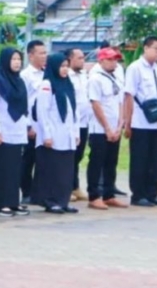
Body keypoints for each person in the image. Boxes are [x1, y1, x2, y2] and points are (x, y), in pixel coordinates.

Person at [123, 36, 157, 207]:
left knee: (155, 159)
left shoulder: (156, 69)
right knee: (140, 159)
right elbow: (129, 95)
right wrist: (127, 122)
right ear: (146, 48)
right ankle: (138, 194)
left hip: (156, 121)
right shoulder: (135, 68)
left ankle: (152, 193)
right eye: (156, 48)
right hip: (140, 122)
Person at [0, 48, 30, 217]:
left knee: (14, 169)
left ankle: (12, 201)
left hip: (17, 130)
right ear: (5, 61)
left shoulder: (19, 81)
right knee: (1, 168)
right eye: (13, 59)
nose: (17, 62)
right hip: (1, 131)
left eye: (19, 59)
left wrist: (27, 125)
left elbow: (25, 106)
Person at [32, 53, 80, 214]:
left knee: (66, 171)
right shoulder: (47, 84)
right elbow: (42, 111)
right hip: (52, 135)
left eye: (66, 66)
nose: (65, 69)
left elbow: (74, 111)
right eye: (61, 66)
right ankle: (50, 201)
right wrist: (46, 134)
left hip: (67, 136)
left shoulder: (68, 84)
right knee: (51, 170)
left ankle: (63, 200)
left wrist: (76, 132)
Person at [86, 48, 128, 210]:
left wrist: (119, 125)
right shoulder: (95, 79)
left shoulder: (116, 79)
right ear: (101, 61)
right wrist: (107, 128)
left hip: (114, 127)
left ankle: (109, 193)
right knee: (97, 161)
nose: (113, 62)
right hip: (99, 129)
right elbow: (96, 104)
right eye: (110, 59)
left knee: (111, 161)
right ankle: (94, 195)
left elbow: (120, 102)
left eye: (115, 59)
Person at [20, 40, 47, 204]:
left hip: (45, 124)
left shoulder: (47, 73)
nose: (44, 56)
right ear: (31, 55)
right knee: (28, 159)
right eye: (41, 53)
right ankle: (26, 191)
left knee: (43, 159)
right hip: (31, 124)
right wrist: (28, 125)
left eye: (45, 53)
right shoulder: (25, 76)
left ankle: (40, 191)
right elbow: (24, 103)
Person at [66, 48, 90, 201]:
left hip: (84, 122)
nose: (83, 60)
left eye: (83, 58)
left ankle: (75, 186)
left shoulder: (85, 76)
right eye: (79, 58)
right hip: (70, 123)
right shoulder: (66, 76)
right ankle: (66, 187)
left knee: (78, 156)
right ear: (70, 59)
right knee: (69, 156)